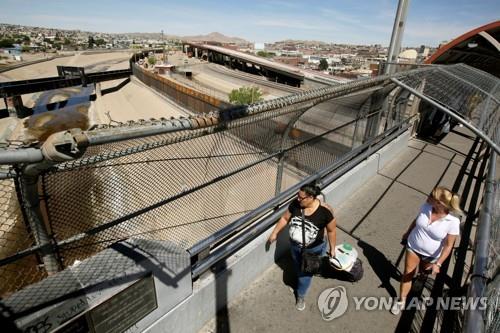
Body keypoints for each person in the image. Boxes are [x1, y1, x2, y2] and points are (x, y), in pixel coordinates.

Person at [391, 186, 462, 315]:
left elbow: (448, 245)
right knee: (407, 273)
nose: (428, 196)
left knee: (423, 272)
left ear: (440, 203)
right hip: (413, 246)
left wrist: (438, 263)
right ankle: (401, 300)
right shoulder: (426, 207)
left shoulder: (453, 222)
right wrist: (407, 233)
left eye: (431, 196)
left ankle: (421, 278)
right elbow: (416, 221)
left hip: (431, 255)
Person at [267, 182, 336, 311]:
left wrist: (332, 248)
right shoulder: (295, 205)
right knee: (299, 265)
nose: (297, 199)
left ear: (311, 197)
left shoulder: (325, 213)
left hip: (312, 250)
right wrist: (274, 233)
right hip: (295, 247)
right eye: (297, 196)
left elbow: (331, 231)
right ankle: (307, 271)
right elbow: (284, 218)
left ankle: (301, 295)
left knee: (305, 274)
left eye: (301, 197)